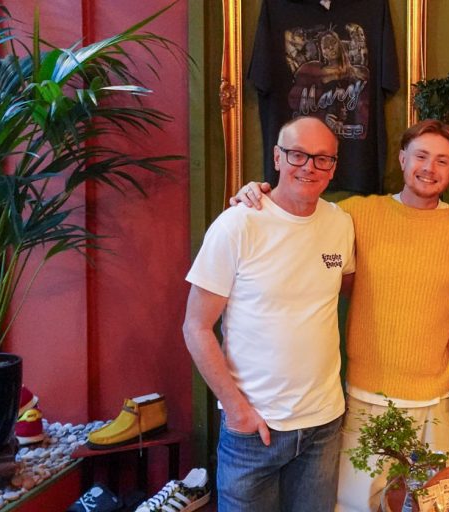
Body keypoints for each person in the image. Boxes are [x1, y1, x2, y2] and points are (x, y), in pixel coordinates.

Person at [230, 119, 449, 512]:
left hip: (435, 401)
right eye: (421, 156)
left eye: (442, 161)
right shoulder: (355, 215)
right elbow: (299, 210)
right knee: (355, 505)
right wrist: (257, 193)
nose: (429, 168)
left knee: (433, 505)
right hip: (365, 395)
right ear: (403, 159)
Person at [183, 116, 355, 511]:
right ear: (277, 158)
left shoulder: (340, 223)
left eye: (322, 158)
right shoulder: (238, 224)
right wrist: (238, 411)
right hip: (254, 429)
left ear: (333, 167)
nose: (309, 166)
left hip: (322, 426)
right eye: (297, 154)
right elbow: (196, 327)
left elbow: (344, 289)